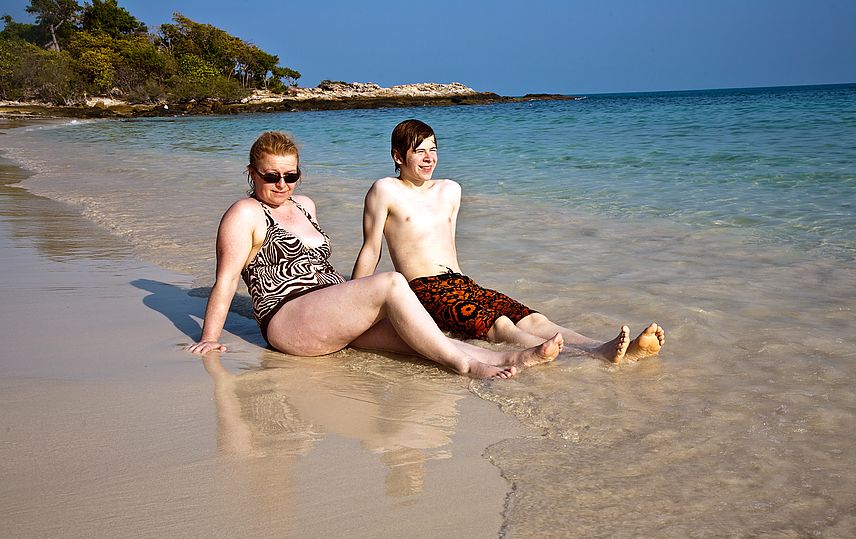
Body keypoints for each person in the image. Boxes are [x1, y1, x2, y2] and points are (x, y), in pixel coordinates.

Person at [187, 130, 564, 379]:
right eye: (271, 177)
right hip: (288, 320)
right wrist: (209, 337)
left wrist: (352, 298)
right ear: (252, 173)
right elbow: (226, 279)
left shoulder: (304, 205)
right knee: (392, 283)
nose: (282, 184)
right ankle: (466, 367)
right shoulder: (245, 213)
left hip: (328, 312)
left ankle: (513, 359)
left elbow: (321, 267)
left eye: (291, 175)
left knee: (422, 338)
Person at [351, 119, 665, 364]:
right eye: (419, 150)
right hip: (425, 290)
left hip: (463, 283)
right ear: (397, 155)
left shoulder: (450, 190)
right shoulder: (386, 190)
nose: (429, 157)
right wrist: (352, 306)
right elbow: (371, 249)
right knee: (501, 327)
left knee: (534, 319)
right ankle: (594, 357)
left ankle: (601, 346)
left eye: (433, 149)